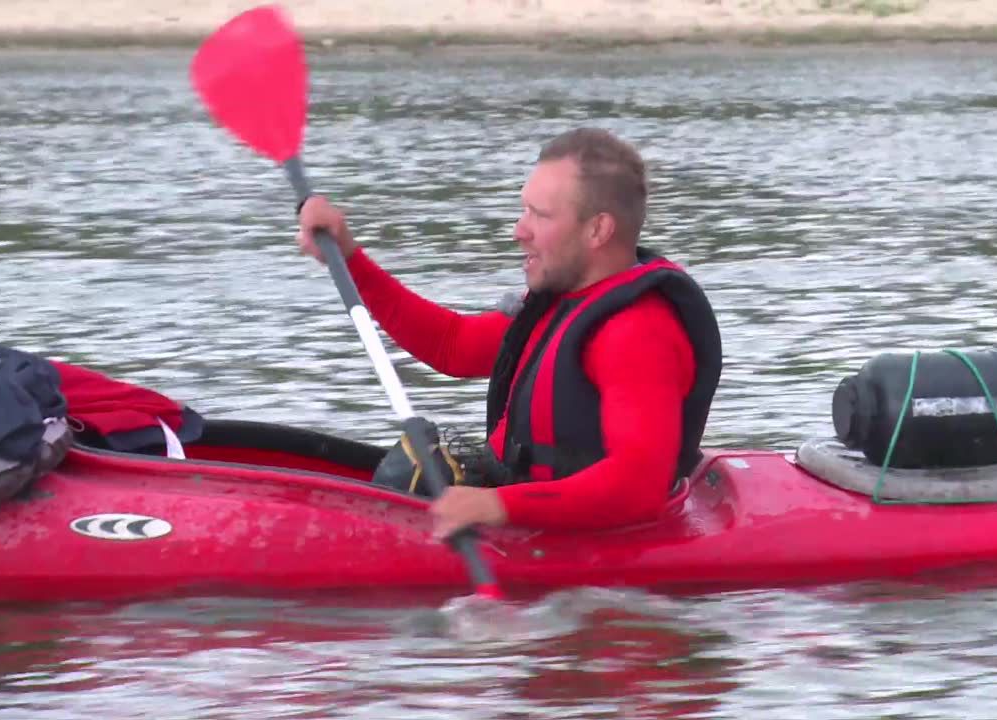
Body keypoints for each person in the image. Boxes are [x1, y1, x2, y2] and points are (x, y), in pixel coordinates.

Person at [296, 127, 722, 540]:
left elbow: (637, 489)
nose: (519, 230)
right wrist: (350, 258)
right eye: (525, 210)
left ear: (598, 230)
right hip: (523, 506)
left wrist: (495, 507)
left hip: (595, 538)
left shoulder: (637, 333)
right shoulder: (563, 299)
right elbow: (453, 346)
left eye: (540, 215)